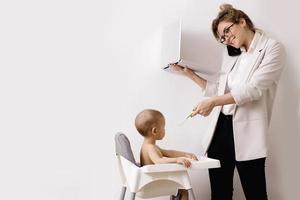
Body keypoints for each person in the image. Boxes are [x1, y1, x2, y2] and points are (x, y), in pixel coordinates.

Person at [169, 3, 285, 200]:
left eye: (227, 31)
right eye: (222, 37)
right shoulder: (235, 57)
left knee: (255, 194)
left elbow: (253, 90)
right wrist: (189, 73)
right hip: (221, 129)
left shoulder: (272, 48)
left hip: (249, 133)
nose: (226, 39)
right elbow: (220, 90)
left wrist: (213, 102)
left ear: (242, 21)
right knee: (220, 193)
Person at [135, 109, 198, 200]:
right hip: (151, 184)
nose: (164, 130)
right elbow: (159, 161)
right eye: (163, 127)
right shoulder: (150, 148)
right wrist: (177, 160)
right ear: (155, 131)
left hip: (152, 180)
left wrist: (185, 154)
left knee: (179, 186)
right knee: (184, 190)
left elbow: (169, 153)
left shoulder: (149, 146)